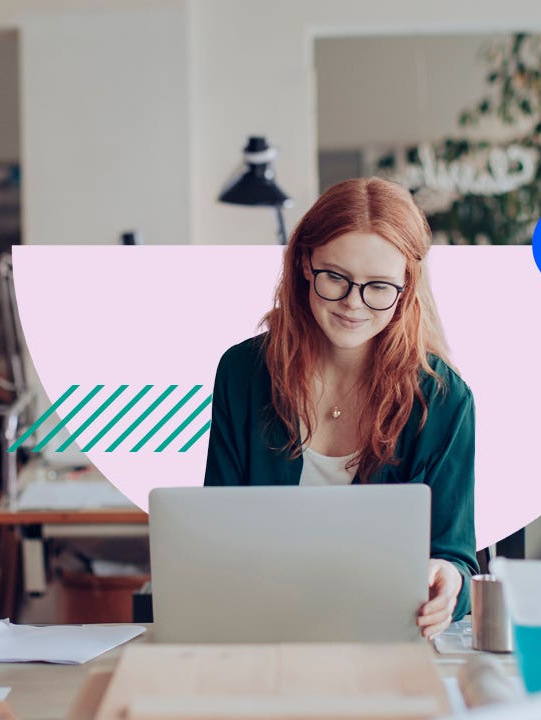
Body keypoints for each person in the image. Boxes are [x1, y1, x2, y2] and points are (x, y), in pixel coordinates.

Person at [204, 177, 477, 639]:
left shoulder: (444, 398)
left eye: (378, 287)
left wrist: (449, 581)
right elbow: (213, 536)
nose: (354, 303)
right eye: (336, 277)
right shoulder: (242, 373)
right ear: (305, 265)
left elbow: (456, 559)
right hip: (259, 633)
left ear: (406, 288)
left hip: (386, 640)